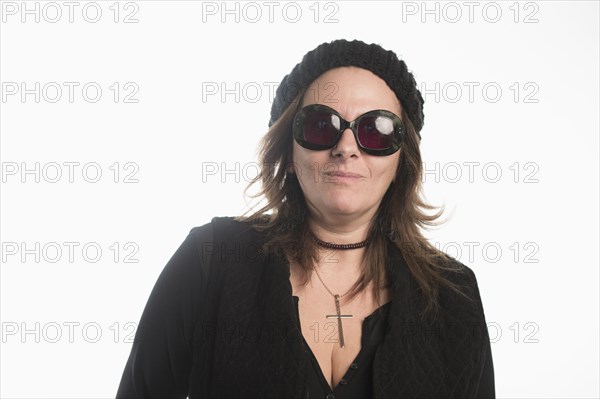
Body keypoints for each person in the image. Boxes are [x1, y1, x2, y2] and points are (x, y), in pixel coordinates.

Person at [116, 39, 495, 398]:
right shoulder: (211, 258)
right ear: (289, 150)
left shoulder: (454, 294)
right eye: (320, 125)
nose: (346, 148)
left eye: (376, 130)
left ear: (402, 161)